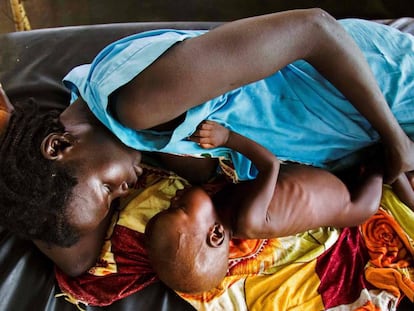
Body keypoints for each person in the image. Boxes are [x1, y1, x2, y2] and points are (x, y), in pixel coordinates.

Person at [1, 9, 414, 276]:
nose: (125, 192)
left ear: (58, 146)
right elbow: (76, 259)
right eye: (113, 199)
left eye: (107, 189)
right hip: (355, 134)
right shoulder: (106, 128)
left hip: (380, 90)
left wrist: (394, 139)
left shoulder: (136, 103)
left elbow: (314, 30)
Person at [144, 120, 383, 293]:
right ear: (215, 233)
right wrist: (228, 138)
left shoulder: (223, 205)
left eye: (167, 206)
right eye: (179, 208)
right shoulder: (249, 220)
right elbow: (270, 165)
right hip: (352, 207)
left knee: (366, 155)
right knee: (380, 163)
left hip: (330, 174)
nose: (174, 197)